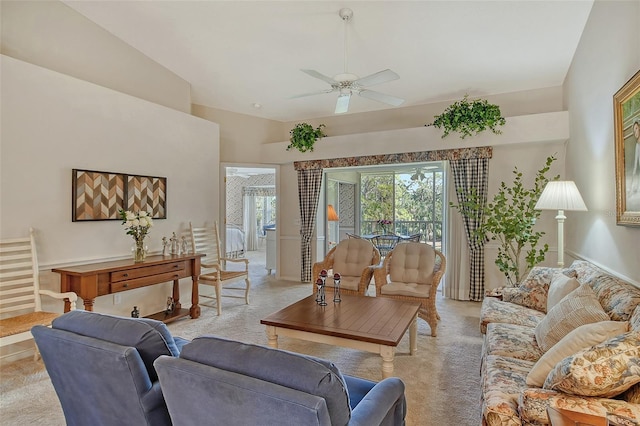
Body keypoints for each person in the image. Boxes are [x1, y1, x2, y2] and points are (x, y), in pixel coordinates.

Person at [632, 119, 640, 193]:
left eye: (636, 129)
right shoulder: (637, 146)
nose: (635, 133)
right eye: (634, 131)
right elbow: (635, 162)